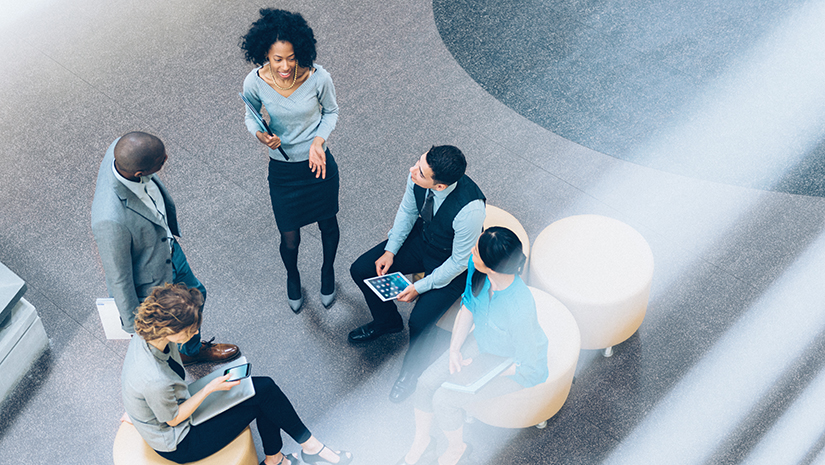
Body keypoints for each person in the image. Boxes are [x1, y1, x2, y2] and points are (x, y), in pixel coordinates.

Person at [121, 283, 352, 465]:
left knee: (264, 388)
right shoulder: (154, 379)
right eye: (190, 331)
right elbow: (173, 418)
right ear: (170, 329)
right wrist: (209, 388)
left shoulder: (149, 334)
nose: (193, 335)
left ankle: (295, 452)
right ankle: (298, 453)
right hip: (181, 441)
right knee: (263, 400)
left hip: (175, 406)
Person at [397, 227, 549, 465]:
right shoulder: (477, 270)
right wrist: (455, 349)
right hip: (483, 344)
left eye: (476, 251)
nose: (471, 252)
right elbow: (468, 305)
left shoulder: (519, 308)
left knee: (444, 400)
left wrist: (477, 372)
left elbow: (527, 364)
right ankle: (422, 442)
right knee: (425, 382)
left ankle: (458, 449)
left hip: (510, 364)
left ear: (492, 266)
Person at [349, 146, 486, 403]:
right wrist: (391, 251)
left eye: (421, 172)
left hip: (450, 262)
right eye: (418, 163)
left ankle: (412, 372)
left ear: (440, 186)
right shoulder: (416, 176)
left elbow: (459, 262)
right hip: (423, 241)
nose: (413, 170)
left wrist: (420, 287)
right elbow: (408, 212)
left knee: (420, 321)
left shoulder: (470, 210)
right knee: (361, 269)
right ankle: (387, 321)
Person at [91, 131, 238, 364]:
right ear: (139, 173)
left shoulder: (122, 150)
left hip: (169, 249)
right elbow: (118, 277)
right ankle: (182, 356)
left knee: (197, 296)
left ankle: (189, 350)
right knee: (175, 321)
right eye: (161, 161)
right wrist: (134, 325)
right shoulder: (110, 220)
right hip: (153, 279)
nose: (167, 158)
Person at [240, 9, 340, 313]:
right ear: (264, 55)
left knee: (328, 224)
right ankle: (292, 276)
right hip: (283, 169)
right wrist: (261, 135)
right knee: (289, 236)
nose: (285, 66)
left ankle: (327, 272)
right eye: (277, 59)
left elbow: (331, 112)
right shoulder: (254, 83)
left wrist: (318, 142)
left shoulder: (318, 77)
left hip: (318, 163)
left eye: (291, 57)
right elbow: (250, 116)